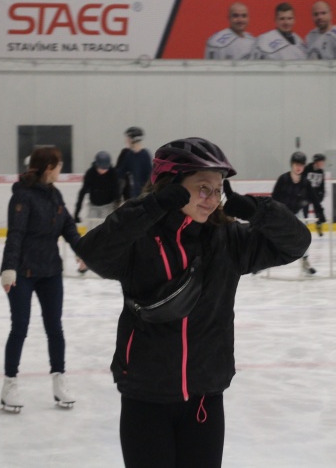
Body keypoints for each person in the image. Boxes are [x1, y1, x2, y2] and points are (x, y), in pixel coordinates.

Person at [73, 138, 310, 468]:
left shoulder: (228, 241)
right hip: (146, 398)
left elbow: (296, 244)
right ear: (172, 187)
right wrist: (151, 207)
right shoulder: (140, 241)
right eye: (202, 188)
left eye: (218, 190)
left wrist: (260, 211)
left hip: (204, 399)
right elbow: (93, 253)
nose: (211, 199)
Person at [0, 146, 81, 413]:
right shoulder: (23, 196)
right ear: (49, 168)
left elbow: (68, 227)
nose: (61, 169)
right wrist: (8, 268)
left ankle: (59, 379)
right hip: (22, 272)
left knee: (54, 327)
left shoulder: (54, 194)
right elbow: (15, 234)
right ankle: (9, 384)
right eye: (59, 165)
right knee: (19, 327)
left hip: (50, 271)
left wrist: (84, 252)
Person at [72, 150, 121, 274]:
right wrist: (77, 212)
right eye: (101, 168)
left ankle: (111, 261)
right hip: (93, 206)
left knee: (109, 235)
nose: (104, 171)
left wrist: (117, 211)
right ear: (96, 165)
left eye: (106, 168)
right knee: (90, 235)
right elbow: (82, 192)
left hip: (108, 207)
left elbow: (117, 194)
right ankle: (84, 262)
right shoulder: (90, 173)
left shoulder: (113, 173)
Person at [272, 151, 317, 274]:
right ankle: (260, 264)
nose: (298, 167)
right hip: (282, 212)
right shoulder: (283, 179)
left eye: (301, 165)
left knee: (304, 235)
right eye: (296, 164)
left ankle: (305, 261)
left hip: (297, 213)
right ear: (292, 164)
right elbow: (274, 197)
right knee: (272, 236)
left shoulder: (305, 182)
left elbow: (312, 198)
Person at [115, 126, 152, 203]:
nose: (126, 141)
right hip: (133, 196)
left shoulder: (145, 155)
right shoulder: (129, 155)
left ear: (134, 139)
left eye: (128, 138)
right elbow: (120, 172)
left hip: (143, 197)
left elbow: (149, 178)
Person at [302, 153, 328, 237]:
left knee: (318, 210)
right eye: (321, 162)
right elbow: (302, 180)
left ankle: (319, 225)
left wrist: (321, 194)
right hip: (306, 194)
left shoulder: (321, 172)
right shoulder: (307, 169)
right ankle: (304, 227)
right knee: (305, 210)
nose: (323, 164)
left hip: (315, 194)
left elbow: (322, 185)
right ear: (316, 162)